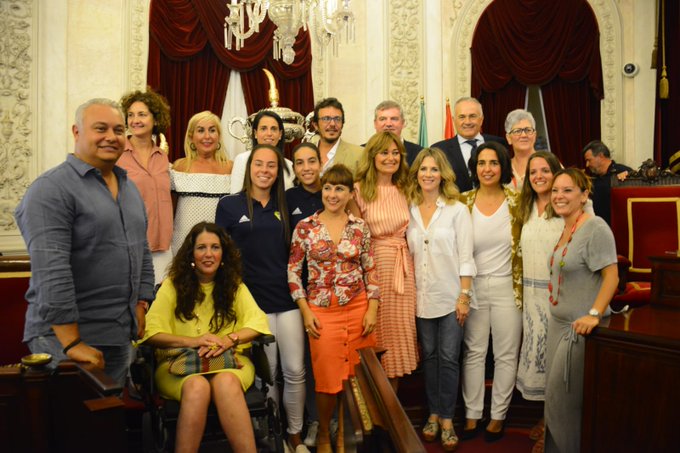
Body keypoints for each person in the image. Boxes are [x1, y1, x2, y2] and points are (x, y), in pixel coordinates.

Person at [15, 98, 154, 386]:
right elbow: (51, 271)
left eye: (118, 130)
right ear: (77, 132)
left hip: (118, 335)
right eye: (100, 128)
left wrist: (140, 304)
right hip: (65, 341)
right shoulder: (51, 189)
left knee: (104, 426)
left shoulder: (129, 188)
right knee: (70, 427)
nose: (111, 137)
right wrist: (71, 342)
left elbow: (142, 250)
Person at [140, 222, 271, 453]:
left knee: (226, 382)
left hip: (230, 362)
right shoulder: (172, 286)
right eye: (201, 248)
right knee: (197, 387)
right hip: (177, 364)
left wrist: (229, 340)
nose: (208, 254)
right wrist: (193, 342)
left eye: (215, 247)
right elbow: (151, 333)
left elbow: (257, 324)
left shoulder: (234, 286)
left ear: (223, 253)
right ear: (191, 253)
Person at [215, 145, 308, 452]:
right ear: (249, 167)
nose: (265, 170)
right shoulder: (230, 205)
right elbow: (221, 257)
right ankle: (273, 434)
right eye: (259, 164)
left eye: (271, 165)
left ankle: (295, 434)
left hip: (289, 299)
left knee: (294, 370)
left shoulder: (288, 202)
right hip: (253, 305)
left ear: (279, 171)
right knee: (267, 375)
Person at [288, 164, 380, 453]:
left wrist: (372, 309)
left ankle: (352, 439)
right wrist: (305, 311)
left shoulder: (360, 227)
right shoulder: (305, 228)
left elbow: (370, 269)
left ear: (351, 193)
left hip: (358, 308)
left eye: (340, 188)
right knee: (327, 379)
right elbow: (293, 272)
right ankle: (326, 433)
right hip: (322, 312)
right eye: (328, 187)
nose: (332, 193)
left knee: (358, 380)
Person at [406, 148, 476, 451]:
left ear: (443, 174)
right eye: (423, 169)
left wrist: (464, 296)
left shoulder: (456, 209)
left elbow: (466, 256)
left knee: (449, 359)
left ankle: (447, 419)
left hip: (450, 299)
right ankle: (432, 414)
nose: (428, 175)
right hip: (420, 300)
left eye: (434, 169)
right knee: (430, 359)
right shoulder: (406, 208)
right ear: (416, 173)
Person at [544, 168, 618, 452]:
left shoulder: (596, 227)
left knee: (563, 401)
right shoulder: (565, 227)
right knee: (552, 400)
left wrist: (595, 314)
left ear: (584, 194)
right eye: (555, 191)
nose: (559, 196)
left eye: (567, 190)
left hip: (578, 328)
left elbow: (612, 276)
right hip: (557, 326)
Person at [459, 141, 523, 442]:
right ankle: (472, 414)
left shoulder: (518, 201)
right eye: (481, 163)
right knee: (474, 352)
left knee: (506, 354)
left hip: (508, 287)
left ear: (503, 167)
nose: (487, 169)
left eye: (493, 163)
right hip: (471, 288)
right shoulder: (462, 202)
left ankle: (498, 415)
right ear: (474, 168)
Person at [349, 131, 418, 389]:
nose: (390, 158)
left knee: (399, 338)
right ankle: (374, 416)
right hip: (374, 268)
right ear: (372, 156)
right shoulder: (358, 190)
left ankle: (393, 419)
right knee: (375, 335)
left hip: (403, 270)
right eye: (384, 152)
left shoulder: (407, 188)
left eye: (395, 153)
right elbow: (356, 239)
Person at [515, 151, 563, 450]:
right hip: (532, 298)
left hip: (559, 297)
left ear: (556, 172)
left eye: (545, 170)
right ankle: (547, 418)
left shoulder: (568, 203)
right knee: (540, 361)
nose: (539, 176)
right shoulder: (525, 206)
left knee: (558, 367)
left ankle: (555, 429)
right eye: (533, 172)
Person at [285, 141, 323, 447]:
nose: (307, 167)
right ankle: (314, 419)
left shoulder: (335, 190)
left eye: (312, 160)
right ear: (294, 168)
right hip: (302, 294)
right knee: (308, 362)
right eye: (300, 162)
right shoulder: (287, 199)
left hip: (336, 292)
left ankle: (335, 419)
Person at [118, 88, 174, 284]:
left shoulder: (162, 156)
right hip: (130, 247)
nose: (135, 120)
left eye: (142, 114)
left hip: (163, 249)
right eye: (131, 115)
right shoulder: (116, 155)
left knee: (160, 307)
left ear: (155, 119)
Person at [170, 111, 232, 254]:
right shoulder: (180, 166)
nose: (207, 136)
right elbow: (170, 209)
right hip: (183, 239)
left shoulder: (231, 168)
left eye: (212, 130)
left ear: (219, 136)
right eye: (200, 130)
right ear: (191, 137)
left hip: (219, 242)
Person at [430, 97, 507, 192]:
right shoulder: (438, 149)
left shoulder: (499, 143)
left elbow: (506, 177)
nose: (467, 122)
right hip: (453, 204)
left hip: (493, 203)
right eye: (462, 117)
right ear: (454, 120)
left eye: (472, 116)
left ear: (481, 119)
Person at [230, 110, 295, 193]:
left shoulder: (289, 165)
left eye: (273, 129)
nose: (269, 133)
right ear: (255, 133)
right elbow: (235, 196)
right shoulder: (242, 160)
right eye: (263, 128)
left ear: (280, 134)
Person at [582, 140, 632, 225]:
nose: (587, 165)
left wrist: (630, 177)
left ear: (600, 156)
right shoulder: (590, 178)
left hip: (619, 227)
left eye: (589, 160)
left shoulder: (623, 172)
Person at [310, 97, 363, 176]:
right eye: (326, 119)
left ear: (342, 124)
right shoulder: (306, 152)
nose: (332, 124)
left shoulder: (359, 154)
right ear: (316, 125)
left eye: (337, 119)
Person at [371, 100, 422, 165]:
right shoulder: (362, 151)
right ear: (375, 124)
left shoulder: (418, 153)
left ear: (403, 123)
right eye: (383, 119)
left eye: (394, 119)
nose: (388, 124)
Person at [505, 109, 538, 191]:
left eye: (528, 130)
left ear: (534, 135)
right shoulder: (503, 167)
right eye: (517, 131)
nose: (523, 135)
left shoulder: (549, 163)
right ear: (508, 138)